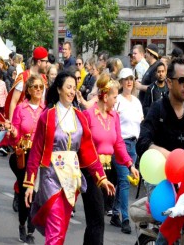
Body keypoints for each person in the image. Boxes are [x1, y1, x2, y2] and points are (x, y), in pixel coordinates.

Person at [24, 71, 115, 245]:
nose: (72, 91)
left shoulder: (80, 117)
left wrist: (102, 178)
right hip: (51, 176)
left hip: (72, 178)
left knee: (61, 228)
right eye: (68, 87)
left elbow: (89, 151)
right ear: (59, 89)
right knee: (56, 227)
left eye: (74, 88)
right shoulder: (47, 116)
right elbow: (36, 151)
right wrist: (29, 182)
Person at [82, 73, 139, 243]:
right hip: (92, 172)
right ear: (105, 97)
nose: (116, 101)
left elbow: (119, 143)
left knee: (96, 220)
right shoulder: (88, 115)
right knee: (97, 219)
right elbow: (84, 146)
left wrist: (130, 165)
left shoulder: (114, 116)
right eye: (114, 97)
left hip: (108, 172)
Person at [137, 57, 184, 159]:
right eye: (181, 80)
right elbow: (142, 142)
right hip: (163, 168)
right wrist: (169, 156)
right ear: (169, 83)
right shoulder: (158, 108)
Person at [10, 75, 45, 243]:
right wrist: (14, 133)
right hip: (23, 156)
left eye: (41, 87)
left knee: (36, 195)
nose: (38, 89)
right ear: (29, 90)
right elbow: (14, 137)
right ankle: (22, 225)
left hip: (39, 157)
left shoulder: (46, 110)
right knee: (26, 192)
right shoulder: (21, 109)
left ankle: (31, 231)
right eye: (35, 87)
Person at [111, 68, 143, 234]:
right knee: (124, 180)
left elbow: (140, 122)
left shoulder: (136, 102)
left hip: (133, 145)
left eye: (131, 78)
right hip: (120, 144)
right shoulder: (118, 100)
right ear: (121, 82)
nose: (129, 82)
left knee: (123, 181)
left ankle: (115, 212)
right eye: (126, 79)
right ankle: (125, 218)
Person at [4, 46, 49, 122]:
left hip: (40, 119)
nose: (47, 64)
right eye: (46, 62)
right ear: (39, 62)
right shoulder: (23, 77)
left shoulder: (44, 78)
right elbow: (14, 102)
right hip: (24, 120)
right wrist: (12, 124)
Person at [136, 44, 162, 108]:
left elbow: (155, 88)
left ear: (152, 54)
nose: (145, 54)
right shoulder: (151, 66)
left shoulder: (156, 67)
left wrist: (140, 86)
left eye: (146, 52)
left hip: (150, 107)